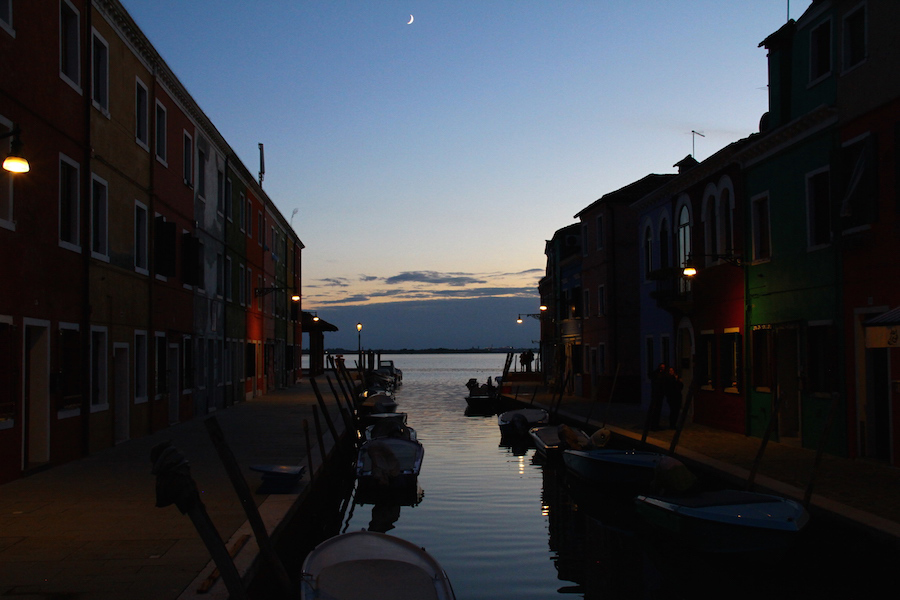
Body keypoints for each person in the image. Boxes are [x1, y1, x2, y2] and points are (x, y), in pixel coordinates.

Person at [647, 363, 667, 431]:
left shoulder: (663, 374)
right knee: (654, 410)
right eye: (661, 367)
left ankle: (655, 424)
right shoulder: (656, 374)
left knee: (657, 410)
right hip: (656, 394)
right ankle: (653, 425)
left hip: (660, 394)